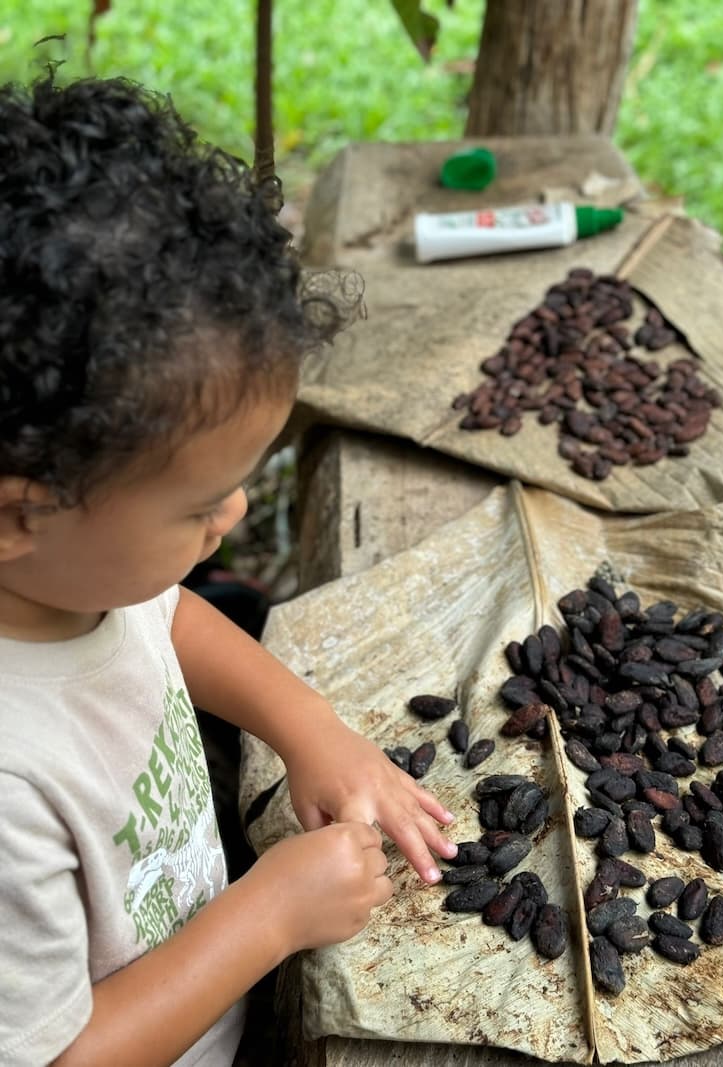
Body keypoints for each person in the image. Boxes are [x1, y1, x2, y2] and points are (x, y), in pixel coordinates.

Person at [0, 74, 457, 1066]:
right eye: (200, 505)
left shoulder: (64, 578)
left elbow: (162, 616)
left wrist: (310, 727)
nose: (234, 513)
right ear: (16, 513)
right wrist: (266, 918)